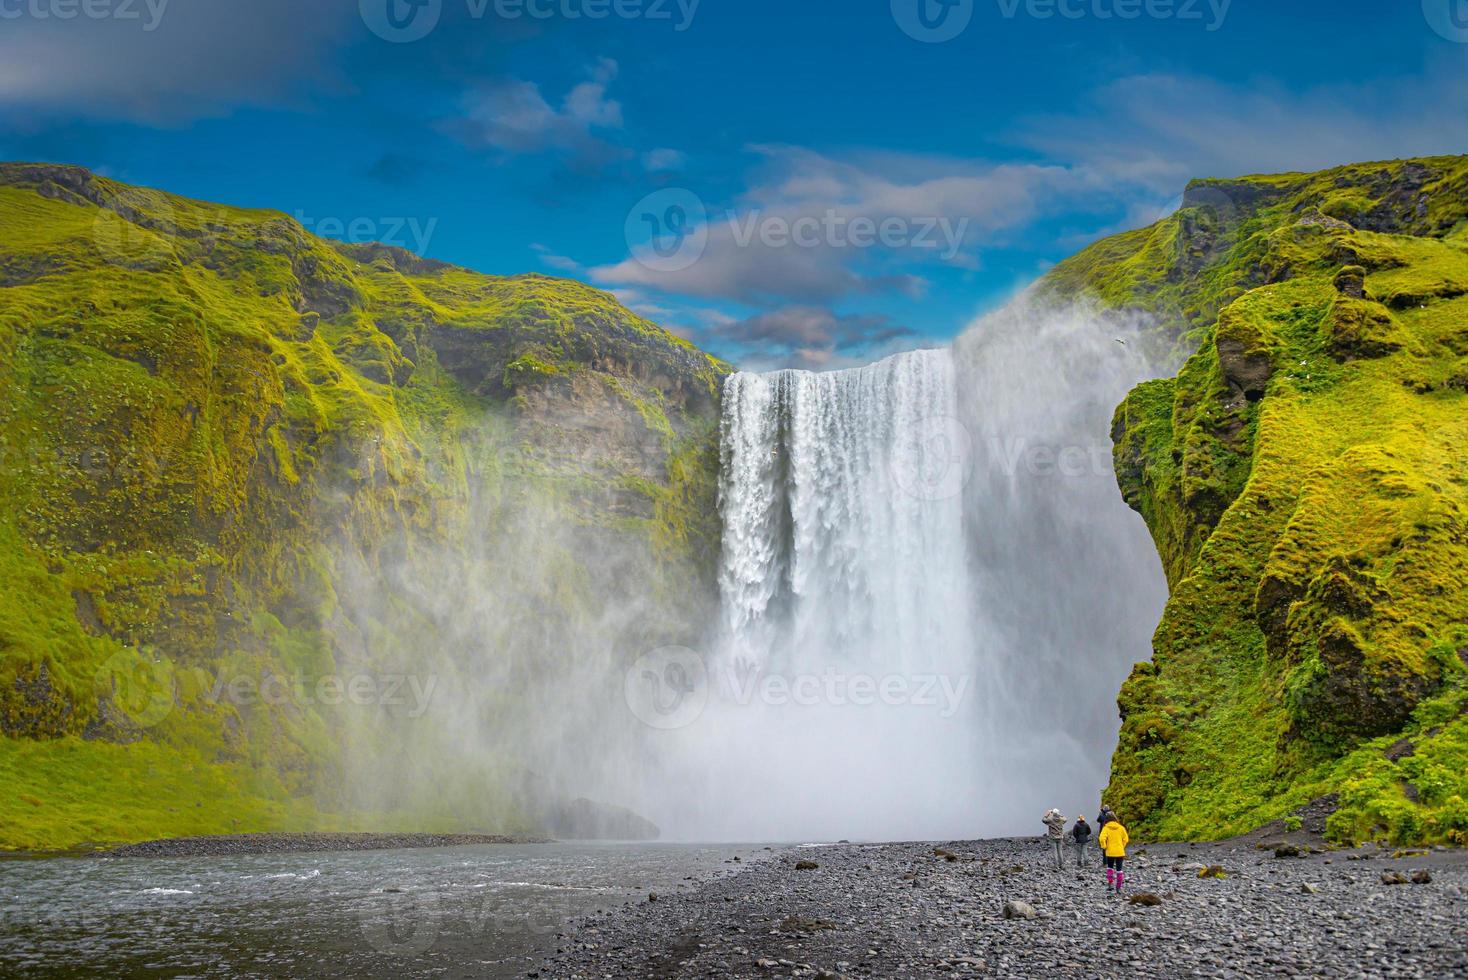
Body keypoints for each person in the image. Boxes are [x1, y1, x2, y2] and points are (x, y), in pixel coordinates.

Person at [1098, 811, 1130, 895]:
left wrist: (1104, 846)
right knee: (1119, 870)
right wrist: (1122, 846)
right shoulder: (1121, 828)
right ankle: (1118, 887)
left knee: (1110, 868)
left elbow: (1101, 838)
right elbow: (1126, 839)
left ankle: (1110, 883)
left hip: (1110, 852)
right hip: (1120, 851)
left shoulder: (1106, 828)